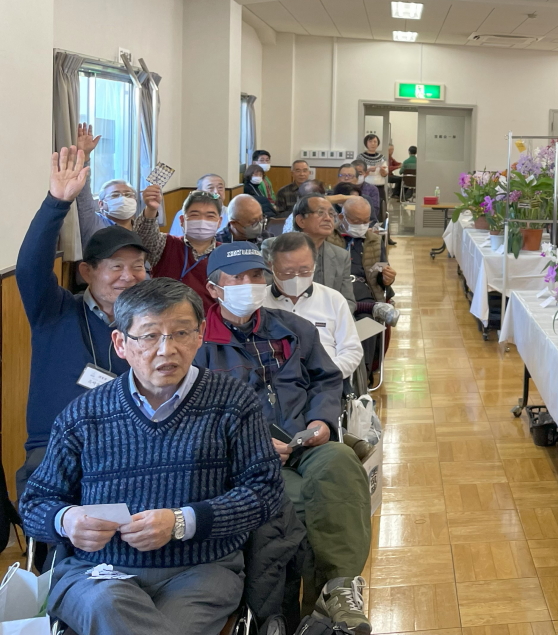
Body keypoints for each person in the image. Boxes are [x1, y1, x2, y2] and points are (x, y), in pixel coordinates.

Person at [20, 278, 283, 635]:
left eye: (180, 333)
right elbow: (35, 502)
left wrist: (182, 521)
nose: (166, 350)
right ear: (120, 343)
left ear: (200, 334)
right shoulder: (84, 414)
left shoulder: (233, 402)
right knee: (106, 605)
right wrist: (66, 521)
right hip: (98, 573)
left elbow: (265, 492)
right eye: (148, 336)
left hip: (200, 571)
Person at [195, 243, 372, 633]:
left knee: (340, 461)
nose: (250, 284)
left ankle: (339, 587)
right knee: (298, 505)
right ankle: (305, 614)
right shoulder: (197, 343)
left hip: (303, 441)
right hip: (245, 460)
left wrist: (321, 421)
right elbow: (195, 416)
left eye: (256, 276)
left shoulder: (294, 329)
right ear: (213, 289)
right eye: (237, 278)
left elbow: (326, 379)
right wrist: (249, 447)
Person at [14, 147, 148, 496]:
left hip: (132, 448)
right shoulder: (54, 312)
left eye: (137, 267)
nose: (128, 277)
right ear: (87, 271)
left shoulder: (151, 325)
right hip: (57, 447)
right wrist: (56, 204)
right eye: (115, 267)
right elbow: (30, 268)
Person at [263, 233, 363, 382]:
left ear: (314, 265)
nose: (296, 278)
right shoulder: (259, 303)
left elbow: (351, 350)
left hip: (325, 383)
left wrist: (326, 373)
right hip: (275, 385)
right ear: (271, 266)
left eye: (304, 271)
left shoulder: (333, 300)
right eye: (287, 272)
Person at [136, 185, 223, 308]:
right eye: (194, 215)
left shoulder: (226, 253)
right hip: (165, 317)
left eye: (210, 216)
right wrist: (151, 209)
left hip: (209, 322)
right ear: (182, 220)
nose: (202, 220)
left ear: (219, 222)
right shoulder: (165, 244)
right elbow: (144, 238)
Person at [273, 195, 355, 305]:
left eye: (331, 214)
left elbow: (348, 301)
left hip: (327, 318)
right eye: (320, 213)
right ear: (301, 221)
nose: (328, 218)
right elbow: (266, 295)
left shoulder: (341, 256)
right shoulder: (273, 247)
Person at [340, 196, 400, 326]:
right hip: (337, 290)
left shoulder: (373, 241)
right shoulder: (329, 238)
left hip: (362, 290)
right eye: (355, 221)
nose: (361, 225)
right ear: (341, 218)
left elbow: (379, 268)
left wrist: (386, 279)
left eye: (365, 221)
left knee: (367, 323)